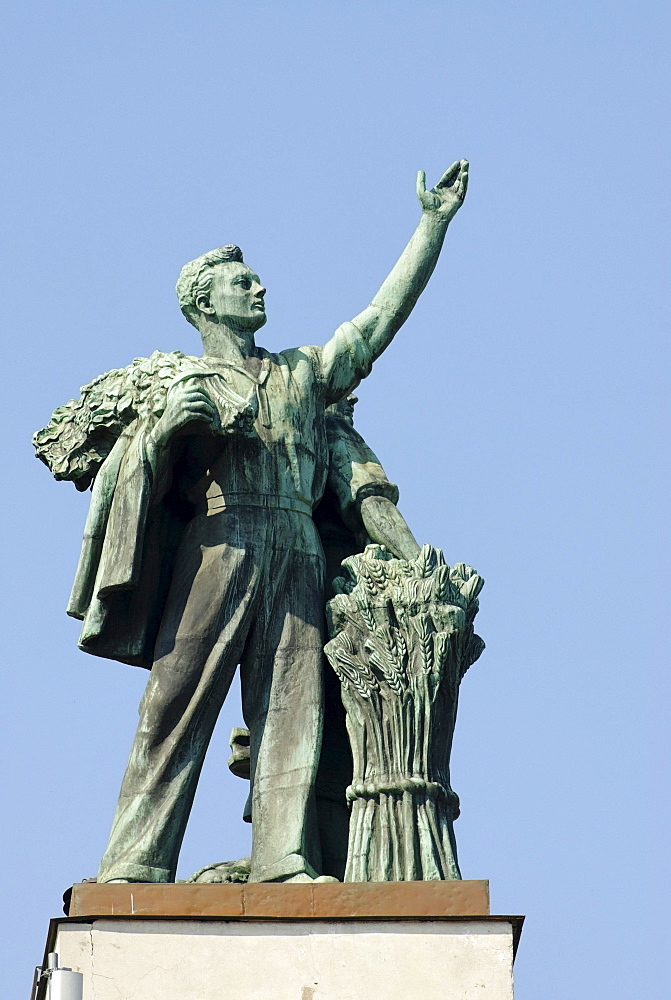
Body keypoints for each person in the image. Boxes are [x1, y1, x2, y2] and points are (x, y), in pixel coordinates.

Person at [50, 161, 468, 884]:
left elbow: (377, 321)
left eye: (256, 280)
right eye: (242, 283)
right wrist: (163, 433)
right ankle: (134, 862)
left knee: (292, 710)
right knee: (174, 701)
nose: (259, 288)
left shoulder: (303, 372)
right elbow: (130, 479)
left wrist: (431, 225)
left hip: (295, 547)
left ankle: (283, 860)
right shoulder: (184, 382)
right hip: (218, 541)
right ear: (203, 304)